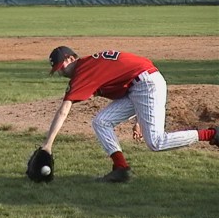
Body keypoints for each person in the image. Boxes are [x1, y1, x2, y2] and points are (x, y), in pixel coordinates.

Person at [40, 46, 218, 183]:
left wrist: (47, 145)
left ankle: (212, 134)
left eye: (61, 66)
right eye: (57, 70)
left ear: (71, 58)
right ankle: (120, 169)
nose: (61, 72)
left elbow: (64, 110)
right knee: (101, 122)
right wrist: (139, 119)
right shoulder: (89, 65)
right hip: (139, 84)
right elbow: (126, 75)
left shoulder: (83, 71)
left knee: (156, 142)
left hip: (146, 84)